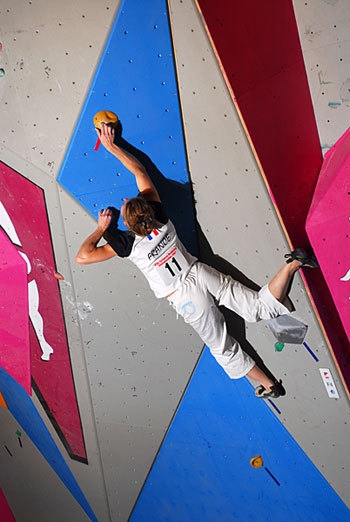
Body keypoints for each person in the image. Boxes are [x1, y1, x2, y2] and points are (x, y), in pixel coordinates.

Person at [76, 123, 318, 399]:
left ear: (129, 224)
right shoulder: (160, 216)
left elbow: (83, 256)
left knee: (223, 347)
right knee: (255, 307)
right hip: (200, 272)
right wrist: (112, 146)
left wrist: (101, 227)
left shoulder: (127, 245)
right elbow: (140, 172)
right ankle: (293, 264)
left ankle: (270, 385)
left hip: (185, 297)